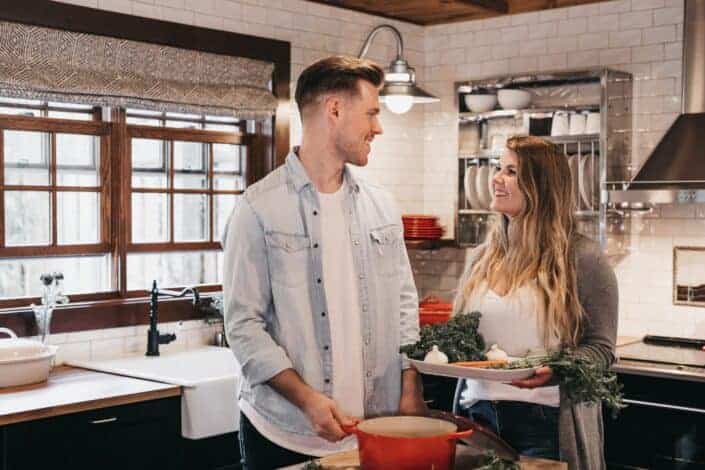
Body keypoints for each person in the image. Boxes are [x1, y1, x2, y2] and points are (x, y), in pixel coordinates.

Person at [222, 56, 425, 470]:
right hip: (285, 434)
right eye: (371, 113)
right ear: (335, 110)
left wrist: (410, 380)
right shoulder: (257, 209)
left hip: (375, 432)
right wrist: (307, 400)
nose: (378, 127)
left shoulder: (381, 206)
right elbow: (243, 325)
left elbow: (405, 304)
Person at [453, 135, 618, 470]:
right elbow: (463, 340)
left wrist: (555, 370)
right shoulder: (481, 258)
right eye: (499, 168)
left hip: (545, 422)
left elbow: (601, 348)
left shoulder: (582, 258)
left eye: (511, 172)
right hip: (476, 416)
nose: (496, 179)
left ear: (541, 186)